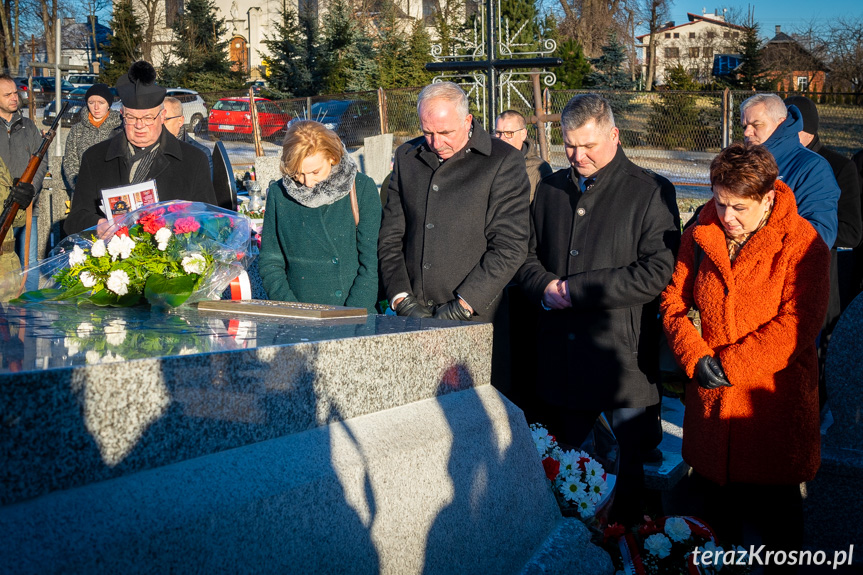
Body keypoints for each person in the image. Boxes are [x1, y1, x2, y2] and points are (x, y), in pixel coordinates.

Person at [661, 143, 829, 563]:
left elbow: (797, 326)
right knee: (711, 545)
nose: (727, 217)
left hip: (771, 417)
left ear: (768, 197)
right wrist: (693, 355)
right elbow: (673, 302)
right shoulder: (701, 233)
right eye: (720, 203)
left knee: (779, 546)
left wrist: (728, 365)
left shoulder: (803, 244)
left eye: (739, 207)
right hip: (712, 417)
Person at [516, 93, 680, 524]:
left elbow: (656, 272)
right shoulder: (551, 189)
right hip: (560, 360)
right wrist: (544, 287)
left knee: (627, 495)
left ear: (614, 135)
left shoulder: (650, 190)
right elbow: (527, 258)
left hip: (620, 362)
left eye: (589, 145)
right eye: (570, 145)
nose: (579, 155)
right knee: (560, 484)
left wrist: (576, 290)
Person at [378, 81, 530, 323]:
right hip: (411, 313)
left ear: (467, 121)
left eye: (446, 133)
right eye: (428, 132)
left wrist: (464, 304)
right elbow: (391, 237)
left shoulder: (502, 160)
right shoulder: (407, 157)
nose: (436, 143)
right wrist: (401, 298)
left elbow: (510, 245)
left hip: (474, 315)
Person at [65, 61, 216, 236]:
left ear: (162, 116)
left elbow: (209, 221)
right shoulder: (95, 158)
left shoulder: (193, 160)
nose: (139, 125)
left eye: (147, 118)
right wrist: (97, 225)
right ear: (122, 115)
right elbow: (74, 219)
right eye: (131, 117)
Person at [784, 95, 862, 413]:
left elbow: (851, 232)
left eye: (793, 127)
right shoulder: (773, 162)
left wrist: (794, 230)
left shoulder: (839, 166)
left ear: (810, 131)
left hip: (820, 276)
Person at [258, 120, 381, 312]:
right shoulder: (279, 194)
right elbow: (270, 262)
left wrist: (354, 313)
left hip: (355, 311)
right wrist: (293, 310)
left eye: (315, 171)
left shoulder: (361, 188)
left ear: (332, 157)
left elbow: (371, 262)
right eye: (298, 173)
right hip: (300, 316)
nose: (307, 183)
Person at [740, 93, 840, 249]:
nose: (747, 132)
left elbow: (820, 234)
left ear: (781, 123)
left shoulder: (812, 167)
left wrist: (761, 243)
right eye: (745, 126)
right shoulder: (742, 164)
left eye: (756, 125)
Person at [0, 73, 47, 286]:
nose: (14, 98)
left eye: (15, 93)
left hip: (27, 207)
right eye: (7, 94)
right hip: (1, 209)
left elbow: (41, 163)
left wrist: (31, 190)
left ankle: (28, 314)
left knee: (29, 265)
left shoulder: (28, 126)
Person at [62, 83, 122, 192]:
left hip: (113, 192)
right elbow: (70, 161)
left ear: (109, 104)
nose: (96, 107)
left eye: (101, 103)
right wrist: (78, 185)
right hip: (83, 191)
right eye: (91, 102)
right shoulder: (77, 130)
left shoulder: (120, 127)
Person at [494, 110, 552, 202]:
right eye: (498, 133)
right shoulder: (488, 164)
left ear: (523, 134)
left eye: (509, 133)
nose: (502, 138)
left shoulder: (538, 169)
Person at [163, 96, 213, 178]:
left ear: (180, 121)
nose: (160, 123)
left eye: (166, 119)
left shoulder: (200, 154)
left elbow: (204, 188)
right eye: (158, 118)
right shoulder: (150, 147)